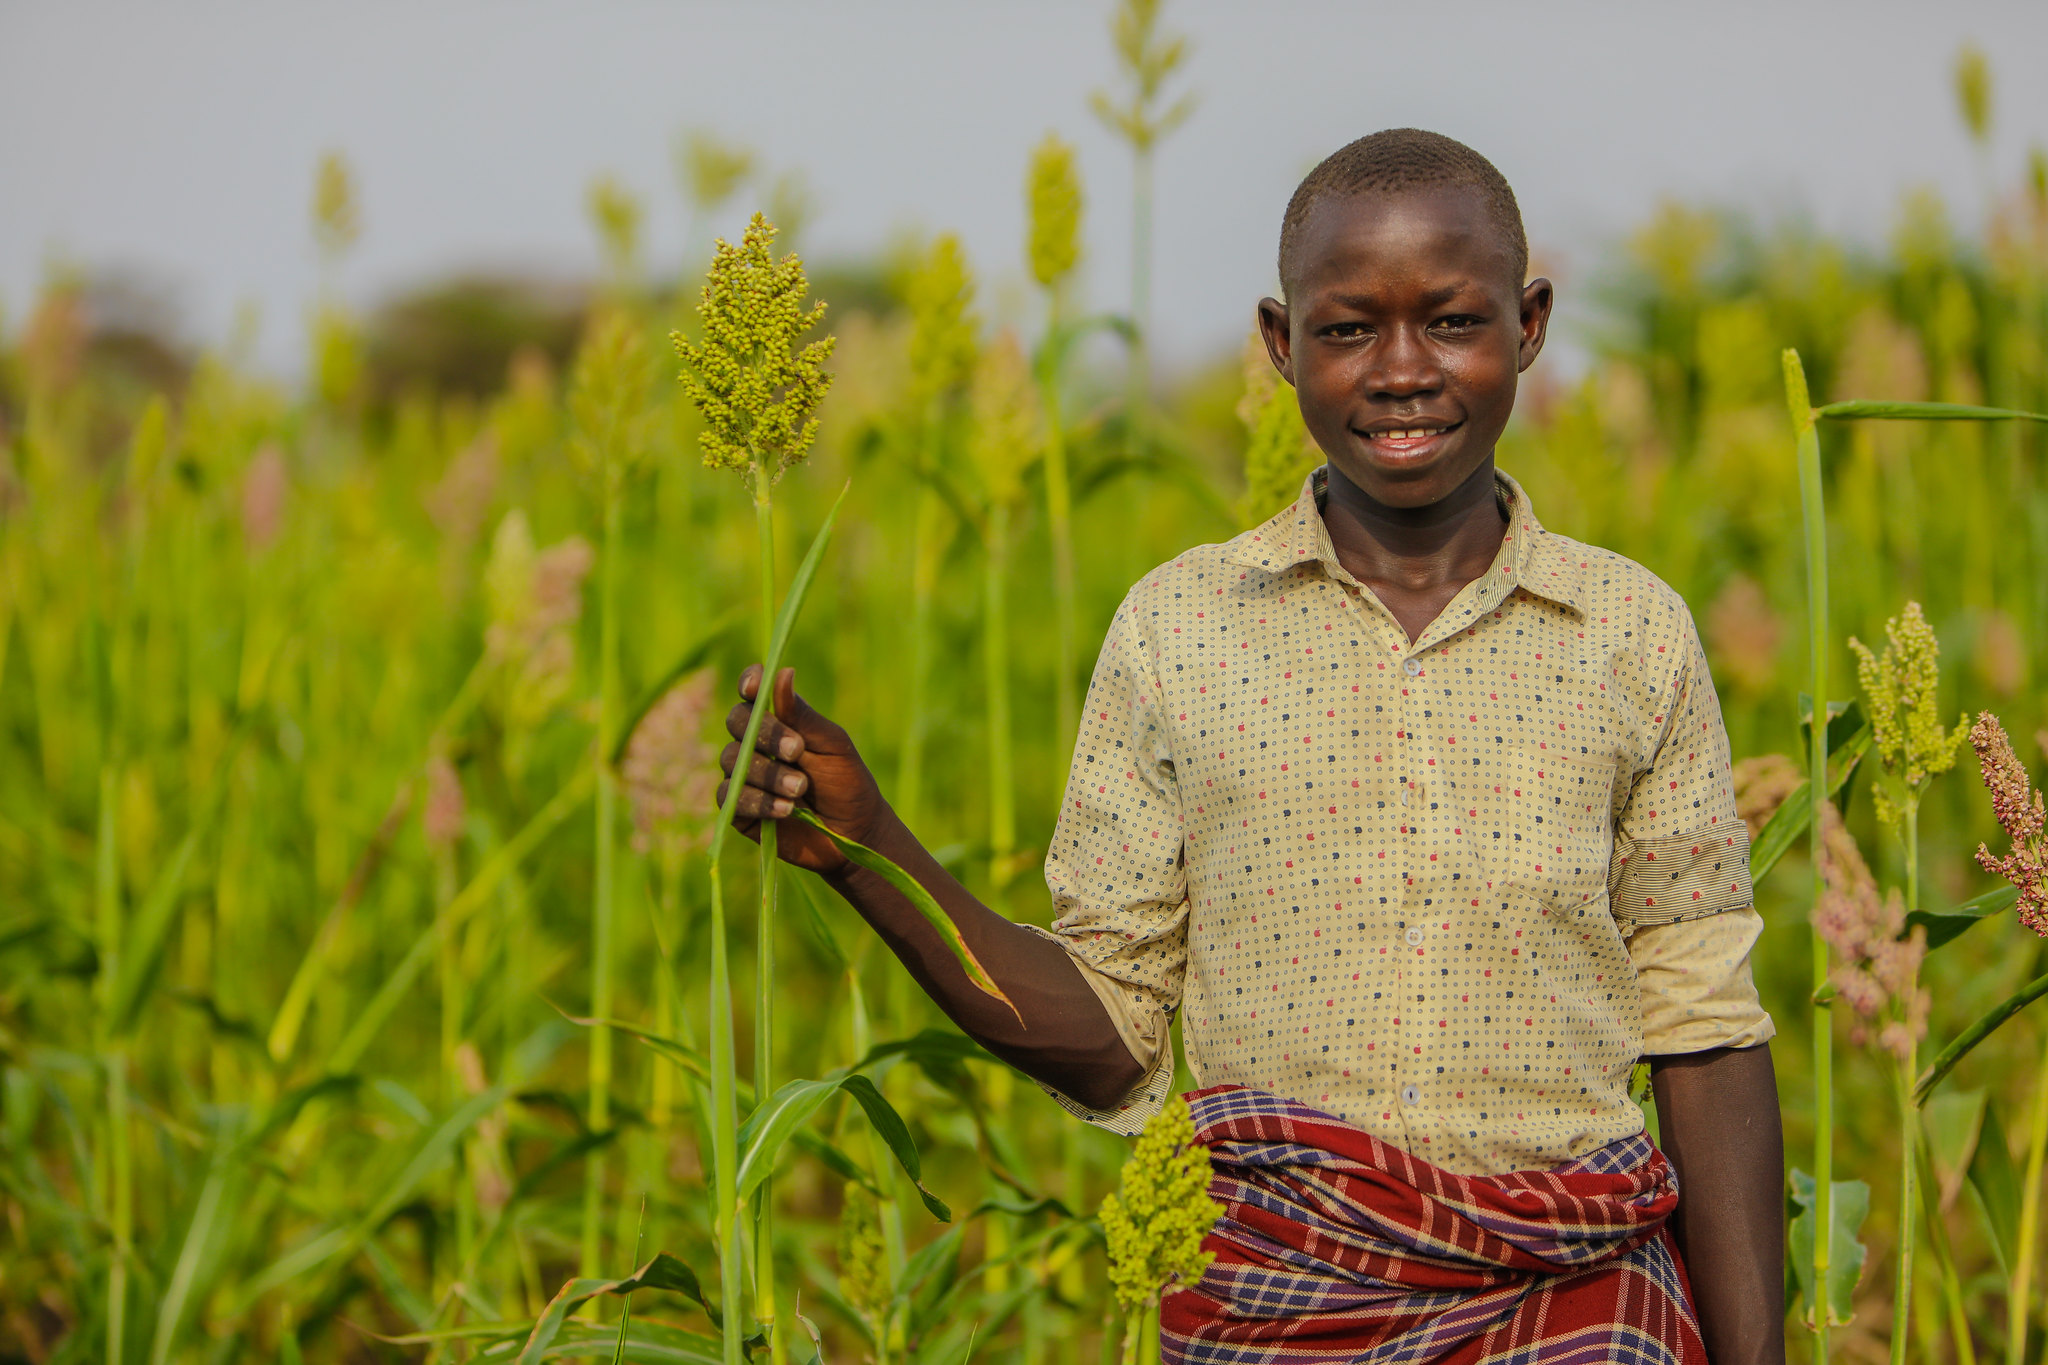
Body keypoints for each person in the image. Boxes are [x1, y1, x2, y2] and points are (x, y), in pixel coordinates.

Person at [717, 128, 1784, 1365]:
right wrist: (869, 851)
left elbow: (1702, 1028)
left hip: (1573, 1288)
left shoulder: (1628, 633)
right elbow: (1110, 1027)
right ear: (1280, 344)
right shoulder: (1179, 631)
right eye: (1345, 331)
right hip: (1274, 1287)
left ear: (1528, 322)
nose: (1399, 371)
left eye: (1449, 322)